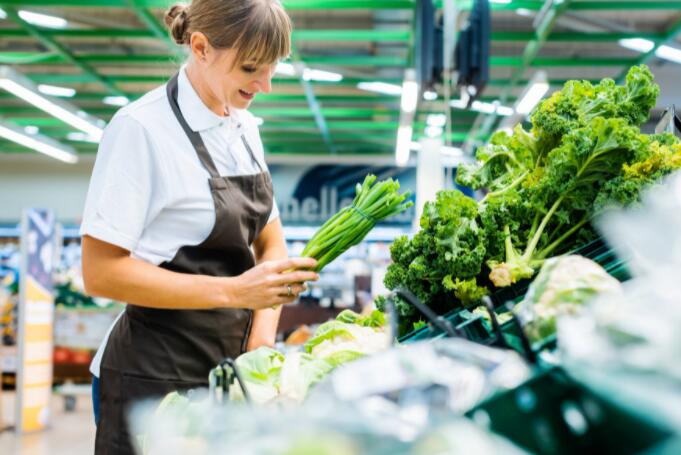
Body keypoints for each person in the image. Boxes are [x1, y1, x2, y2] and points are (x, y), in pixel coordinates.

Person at [80, 1, 317, 453]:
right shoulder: (141, 130)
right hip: (149, 380)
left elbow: (272, 244)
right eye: (251, 68)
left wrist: (260, 343)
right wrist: (236, 293)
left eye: (273, 69)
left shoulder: (245, 129)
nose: (264, 85)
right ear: (201, 47)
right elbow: (100, 272)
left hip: (226, 376)